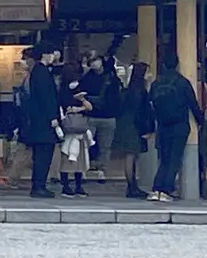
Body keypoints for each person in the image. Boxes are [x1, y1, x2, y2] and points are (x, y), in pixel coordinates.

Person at [147, 51, 203, 202]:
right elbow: (193, 104)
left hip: (163, 125)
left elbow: (150, 104)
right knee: (174, 159)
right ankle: (166, 190)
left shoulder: (156, 83)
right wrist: (201, 121)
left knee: (164, 158)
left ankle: (156, 189)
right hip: (180, 125)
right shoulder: (182, 82)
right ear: (177, 64)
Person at [20, 46, 61, 199]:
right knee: (44, 154)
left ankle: (38, 185)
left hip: (37, 120)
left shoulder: (36, 72)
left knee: (39, 154)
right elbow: (47, 97)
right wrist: (53, 117)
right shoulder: (42, 72)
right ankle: (39, 186)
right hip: (44, 121)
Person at [81, 38, 123, 181]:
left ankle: (101, 169)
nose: (94, 64)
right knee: (88, 144)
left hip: (107, 116)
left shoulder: (112, 77)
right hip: (92, 115)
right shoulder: (87, 78)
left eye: (96, 60)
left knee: (105, 146)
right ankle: (86, 168)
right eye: (92, 61)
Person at [113, 61, 153, 198]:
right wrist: (145, 130)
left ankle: (132, 185)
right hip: (134, 126)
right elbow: (141, 112)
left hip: (126, 124)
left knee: (130, 156)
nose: (150, 75)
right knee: (131, 156)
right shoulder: (140, 91)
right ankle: (132, 187)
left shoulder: (129, 89)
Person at [58, 62, 93, 197]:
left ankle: (70, 185)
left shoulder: (68, 89)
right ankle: (72, 185)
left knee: (72, 156)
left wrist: (80, 102)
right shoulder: (66, 89)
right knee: (73, 157)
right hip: (74, 125)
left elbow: (89, 106)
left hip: (73, 126)